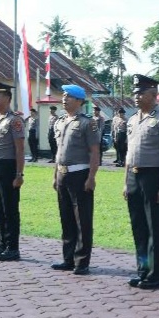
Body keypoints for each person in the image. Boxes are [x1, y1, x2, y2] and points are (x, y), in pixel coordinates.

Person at [124, 74, 159, 289]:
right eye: (135, 92)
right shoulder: (133, 119)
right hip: (134, 176)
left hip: (154, 177)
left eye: (141, 93)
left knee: (156, 228)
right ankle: (143, 270)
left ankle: (156, 275)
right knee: (139, 227)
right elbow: (129, 154)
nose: (136, 96)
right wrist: (126, 182)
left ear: (154, 95)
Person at [50, 85, 100, 275]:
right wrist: (55, 175)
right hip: (63, 174)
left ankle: (82, 261)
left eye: (69, 97)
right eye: (63, 96)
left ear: (79, 100)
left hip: (80, 174)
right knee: (66, 218)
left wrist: (91, 177)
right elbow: (59, 152)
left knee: (82, 220)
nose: (64, 100)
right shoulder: (61, 122)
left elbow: (95, 152)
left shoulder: (88, 123)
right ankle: (68, 258)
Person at [0, 81, 26, 262]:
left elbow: (20, 149)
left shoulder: (14, 120)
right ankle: (2, 245)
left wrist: (19, 174)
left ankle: (12, 248)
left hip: (8, 167)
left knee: (10, 209)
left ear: (7, 97)